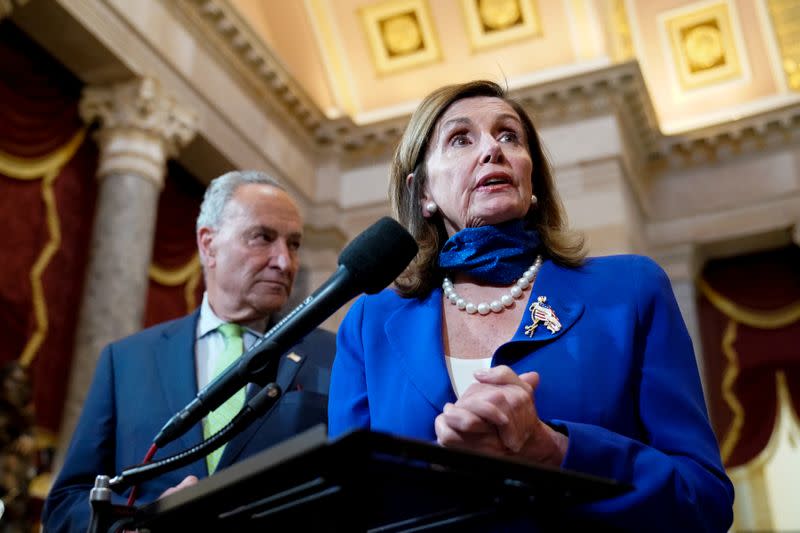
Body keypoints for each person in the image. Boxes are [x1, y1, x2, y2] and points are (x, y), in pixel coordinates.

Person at [328, 81, 734, 531]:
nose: (492, 150)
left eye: (509, 136)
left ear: (532, 179)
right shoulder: (370, 324)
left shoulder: (631, 290)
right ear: (423, 191)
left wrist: (553, 449)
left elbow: (703, 500)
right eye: (461, 139)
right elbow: (348, 510)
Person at [43, 171, 336, 532]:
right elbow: (66, 502)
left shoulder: (333, 355)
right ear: (208, 244)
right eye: (263, 237)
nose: (284, 262)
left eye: (293, 244)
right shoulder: (127, 361)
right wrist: (140, 521)